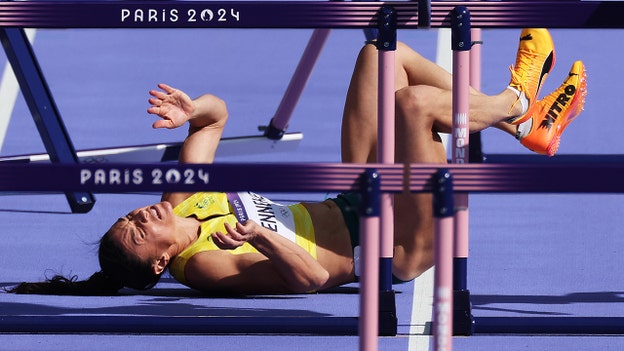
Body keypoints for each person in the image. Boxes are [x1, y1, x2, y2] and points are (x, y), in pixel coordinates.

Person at [8, 28, 586, 295]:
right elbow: (312, 279)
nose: (138, 218)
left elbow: (216, 119)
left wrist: (192, 109)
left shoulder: (179, 199)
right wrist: (262, 238)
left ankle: (519, 120)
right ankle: (515, 102)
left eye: (126, 217)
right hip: (392, 247)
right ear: (161, 264)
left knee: (380, 56)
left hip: (353, 196)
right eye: (137, 234)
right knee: (413, 107)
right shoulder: (206, 267)